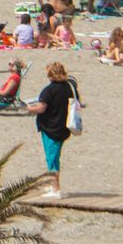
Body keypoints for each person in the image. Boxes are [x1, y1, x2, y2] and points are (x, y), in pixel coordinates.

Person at [25, 62, 78, 198]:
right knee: (54, 156)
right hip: (63, 127)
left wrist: (30, 109)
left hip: (51, 127)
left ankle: (56, 189)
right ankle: (52, 185)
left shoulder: (49, 90)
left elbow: (42, 108)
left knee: (52, 158)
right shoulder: (68, 87)